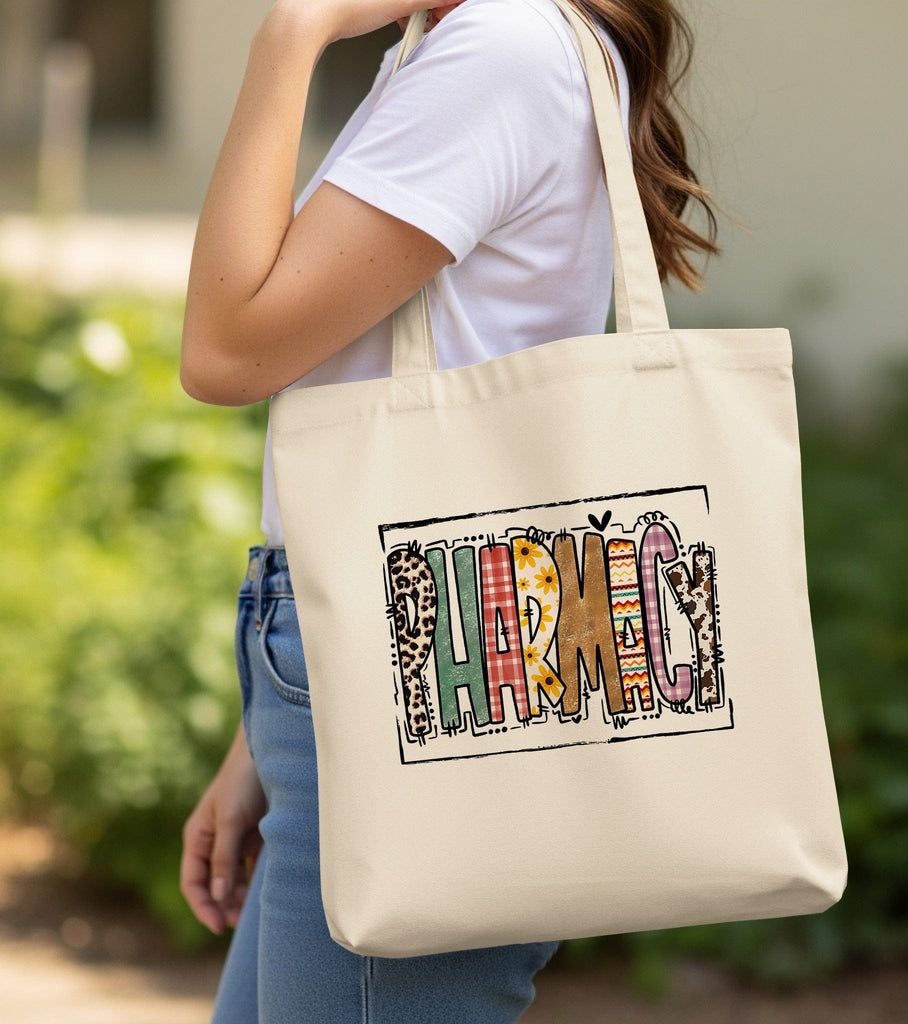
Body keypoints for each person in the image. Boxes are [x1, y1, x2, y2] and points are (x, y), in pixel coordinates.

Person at [178, 0, 718, 1019]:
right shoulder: (462, 42)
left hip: (416, 669)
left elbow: (224, 353)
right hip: (381, 654)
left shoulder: (502, 47)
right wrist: (265, 737)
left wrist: (290, 34)